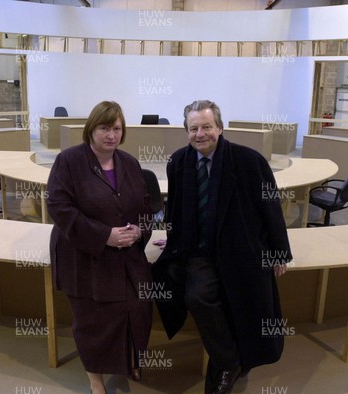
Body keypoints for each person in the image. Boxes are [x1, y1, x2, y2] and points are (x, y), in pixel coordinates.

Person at [151, 100, 292, 394]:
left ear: (220, 127)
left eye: (206, 127)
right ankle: (228, 361)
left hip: (240, 250)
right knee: (197, 296)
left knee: (244, 303)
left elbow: (271, 210)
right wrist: (173, 238)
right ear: (185, 130)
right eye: (193, 128)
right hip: (199, 251)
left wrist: (280, 252)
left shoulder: (250, 162)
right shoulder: (178, 162)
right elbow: (175, 207)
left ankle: (233, 362)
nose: (200, 134)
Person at [46, 101, 153, 394]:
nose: (111, 135)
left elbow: (145, 207)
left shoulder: (129, 163)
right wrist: (104, 235)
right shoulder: (69, 161)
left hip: (125, 255)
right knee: (92, 321)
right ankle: (96, 381)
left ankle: (128, 360)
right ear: (91, 129)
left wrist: (140, 229)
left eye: (116, 128)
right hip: (83, 256)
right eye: (104, 128)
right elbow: (58, 206)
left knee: (137, 307)